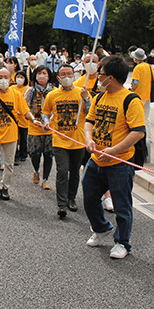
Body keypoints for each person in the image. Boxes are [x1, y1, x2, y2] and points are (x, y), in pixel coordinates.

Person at [82, 55, 146, 259]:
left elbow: (138, 132)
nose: (97, 77)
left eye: (100, 73)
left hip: (119, 163)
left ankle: (123, 243)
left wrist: (114, 151)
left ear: (111, 77)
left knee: (121, 205)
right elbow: (89, 121)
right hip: (96, 160)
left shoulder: (130, 100)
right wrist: (89, 139)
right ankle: (101, 228)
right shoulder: (100, 97)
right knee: (90, 198)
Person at [41, 63, 91, 219]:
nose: (67, 77)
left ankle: (71, 198)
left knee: (75, 172)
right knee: (62, 171)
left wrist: (87, 99)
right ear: (58, 78)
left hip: (78, 140)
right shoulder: (52, 95)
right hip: (60, 140)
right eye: (63, 74)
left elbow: (91, 114)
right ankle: (61, 204)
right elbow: (45, 112)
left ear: (74, 75)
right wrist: (47, 121)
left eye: (70, 74)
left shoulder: (81, 93)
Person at [0, 67, 36, 200]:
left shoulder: (16, 95)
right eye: (0, 77)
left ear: (10, 79)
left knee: (9, 163)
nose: (3, 80)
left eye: (6, 77)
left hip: (11, 135)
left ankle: (5, 187)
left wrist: (33, 119)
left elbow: (25, 111)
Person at [25, 65, 54, 189]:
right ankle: (36, 170)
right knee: (35, 154)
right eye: (39, 73)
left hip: (50, 127)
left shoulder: (54, 91)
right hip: (34, 126)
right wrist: (32, 119)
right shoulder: (30, 91)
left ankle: (46, 179)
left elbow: (56, 109)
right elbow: (24, 108)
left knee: (48, 154)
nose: (42, 76)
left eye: (44, 73)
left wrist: (50, 121)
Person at [129, 48, 154, 162]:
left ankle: (144, 139)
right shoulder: (149, 67)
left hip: (139, 96)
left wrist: (131, 89)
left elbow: (136, 82)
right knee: (147, 117)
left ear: (136, 58)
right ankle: (150, 137)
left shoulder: (137, 68)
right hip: (148, 95)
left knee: (140, 119)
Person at [11, 69, 29, 163]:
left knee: (23, 137)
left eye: (22, 77)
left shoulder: (28, 89)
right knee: (15, 137)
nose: (19, 79)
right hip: (14, 117)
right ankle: (15, 154)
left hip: (24, 117)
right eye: (18, 77)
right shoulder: (12, 88)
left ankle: (23, 154)